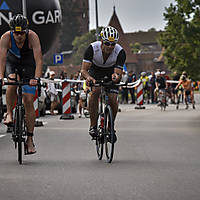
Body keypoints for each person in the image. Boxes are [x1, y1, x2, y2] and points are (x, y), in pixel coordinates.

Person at [0, 14, 43, 154]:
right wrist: (1, 76)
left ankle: (29, 140)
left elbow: (39, 60)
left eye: (22, 33)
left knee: (29, 101)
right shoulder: (6, 37)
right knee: (11, 82)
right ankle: (9, 114)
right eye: (16, 33)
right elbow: (2, 59)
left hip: (28, 64)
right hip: (12, 63)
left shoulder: (33, 37)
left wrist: (36, 78)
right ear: (12, 31)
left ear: (27, 31)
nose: (19, 36)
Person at [81, 26, 126, 142]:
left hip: (111, 71)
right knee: (95, 92)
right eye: (107, 43)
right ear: (101, 41)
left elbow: (118, 73)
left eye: (113, 44)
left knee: (112, 98)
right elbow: (83, 71)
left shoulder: (120, 52)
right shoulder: (92, 48)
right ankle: (93, 126)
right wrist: (89, 78)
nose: (110, 47)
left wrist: (116, 77)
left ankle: (111, 127)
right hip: (95, 71)